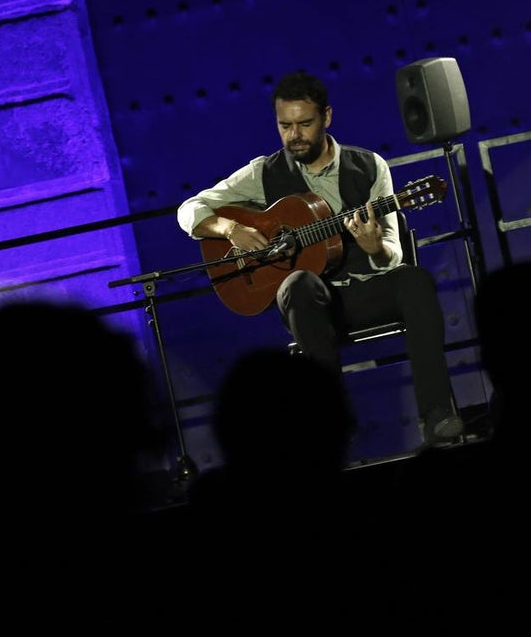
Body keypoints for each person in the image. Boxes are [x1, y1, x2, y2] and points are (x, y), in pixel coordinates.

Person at [177, 70, 463, 446]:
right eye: (285, 126)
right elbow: (189, 210)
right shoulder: (264, 171)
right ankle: (328, 429)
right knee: (298, 282)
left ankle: (437, 415)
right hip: (310, 305)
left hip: (363, 296)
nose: (294, 136)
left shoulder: (370, 167)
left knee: (415, 279)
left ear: (326, 117)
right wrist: (230, 230)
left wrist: (375, 247)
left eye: (304, 124)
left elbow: (392, 252)